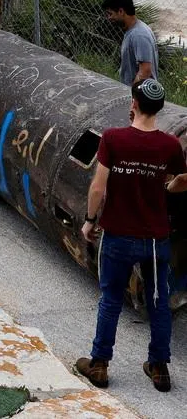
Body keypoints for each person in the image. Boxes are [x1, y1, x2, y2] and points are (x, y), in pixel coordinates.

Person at [74, 79, 187, 394]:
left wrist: (89, 220)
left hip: (119, 235)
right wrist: (165, 187)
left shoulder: (113, 138)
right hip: (154, 240)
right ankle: (159, 368)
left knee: (110, 299)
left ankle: (99, 364)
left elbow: (99, 186)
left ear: (133, 104)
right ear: (160, 108)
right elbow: (183, 178)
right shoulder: (168, 146)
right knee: (158, 302)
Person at [103, 0, 158, 85]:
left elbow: (145, 71)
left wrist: (132, 94)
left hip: (140, 96)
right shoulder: (133, 30)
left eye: (110, 14)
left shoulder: (139, 35)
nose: (108, 18)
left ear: (121, 11)